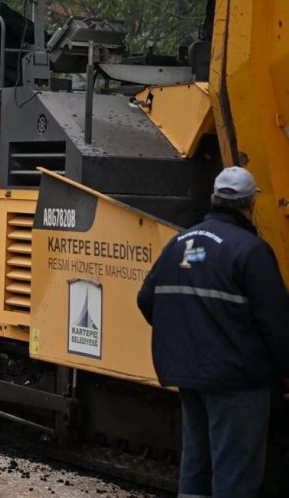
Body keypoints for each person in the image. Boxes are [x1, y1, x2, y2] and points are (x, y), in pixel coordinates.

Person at [137, 166, 289, 497]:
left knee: (197, 463)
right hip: (237, 381)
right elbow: (278, 324)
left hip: (190, 375)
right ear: (251, 205)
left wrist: (186, 337)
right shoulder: (251, 251)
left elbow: (146, 299)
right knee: (235, 472)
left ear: (212, 199)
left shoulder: (180, 243)